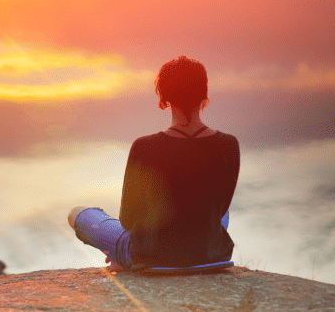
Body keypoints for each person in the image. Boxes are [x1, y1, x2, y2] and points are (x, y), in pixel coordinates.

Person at [68, 56, 240, 272]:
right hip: (211, 256)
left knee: (77, 214)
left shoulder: (145, 147)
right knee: (220, 212)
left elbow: (129, 220)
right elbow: (221, 208)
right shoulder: (228, 144)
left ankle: (122, 258)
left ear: (164, 98)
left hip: (152, 257)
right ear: (204, 96)